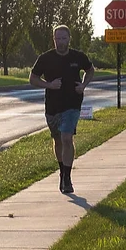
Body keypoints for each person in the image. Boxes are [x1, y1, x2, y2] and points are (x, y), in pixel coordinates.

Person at [29, 25, 95, 194]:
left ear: (69, 39)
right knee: (58, 140)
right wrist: (49, 85)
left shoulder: (78, 56)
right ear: (54, 39)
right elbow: (33, 78)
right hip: (52, 106)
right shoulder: (45, 58)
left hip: (72, 104)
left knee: (67, 137)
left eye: (63, 38)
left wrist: (83, 85)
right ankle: (62, 171)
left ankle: (67, 177)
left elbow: (90, 70)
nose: (60, 42)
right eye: (57, 38)